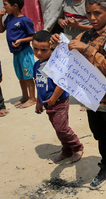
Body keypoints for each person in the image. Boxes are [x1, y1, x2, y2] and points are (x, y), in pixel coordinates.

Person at [53, 0, 106, 190]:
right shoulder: (85, 35)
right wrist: (59, 43)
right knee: (99, 133)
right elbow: (72, 58)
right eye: (89, 13)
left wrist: (86, 49)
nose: (92, 18)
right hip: (90, 97)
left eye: (97, 13)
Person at [32, 30, 84, 164]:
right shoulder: (36, 65)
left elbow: (62, 83)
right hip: (47, 102)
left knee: (62, 127)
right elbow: (38, 84)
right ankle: (66, 150)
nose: (39, 53)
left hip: (59, 101)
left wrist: (53, 99)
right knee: (57, 127)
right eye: (35, 49)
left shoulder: (56, 63)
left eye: (43, 50)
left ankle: (77, 147)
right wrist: (39, 101)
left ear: (51, 48)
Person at [0, 0, 37, 109]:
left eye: (5, 4)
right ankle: (25, 96)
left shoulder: (24, 20)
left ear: (15, 5)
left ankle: (32, 98)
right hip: (16, 53)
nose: (4, 7)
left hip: (24, 52)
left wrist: (21, 40)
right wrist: (0, 17)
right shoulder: (9, 18)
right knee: (21, 76)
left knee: (28, 75)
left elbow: (33, 36)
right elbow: (0, 30)